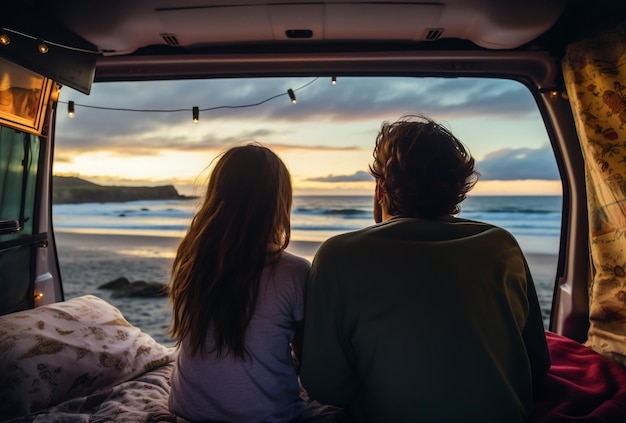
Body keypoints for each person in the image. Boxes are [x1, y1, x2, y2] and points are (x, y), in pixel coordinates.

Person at [300, 115, 551, 422]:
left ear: (380, 189)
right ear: (458, 189)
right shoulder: (502, 245)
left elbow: (326, 387)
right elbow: (536, 364)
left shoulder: (338, 256)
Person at [168, 143, 312, 422]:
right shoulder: (293, 272)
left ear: (216, 196)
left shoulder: (191, 260)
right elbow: (311, 364)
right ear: (279, 202)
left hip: (187, 412)